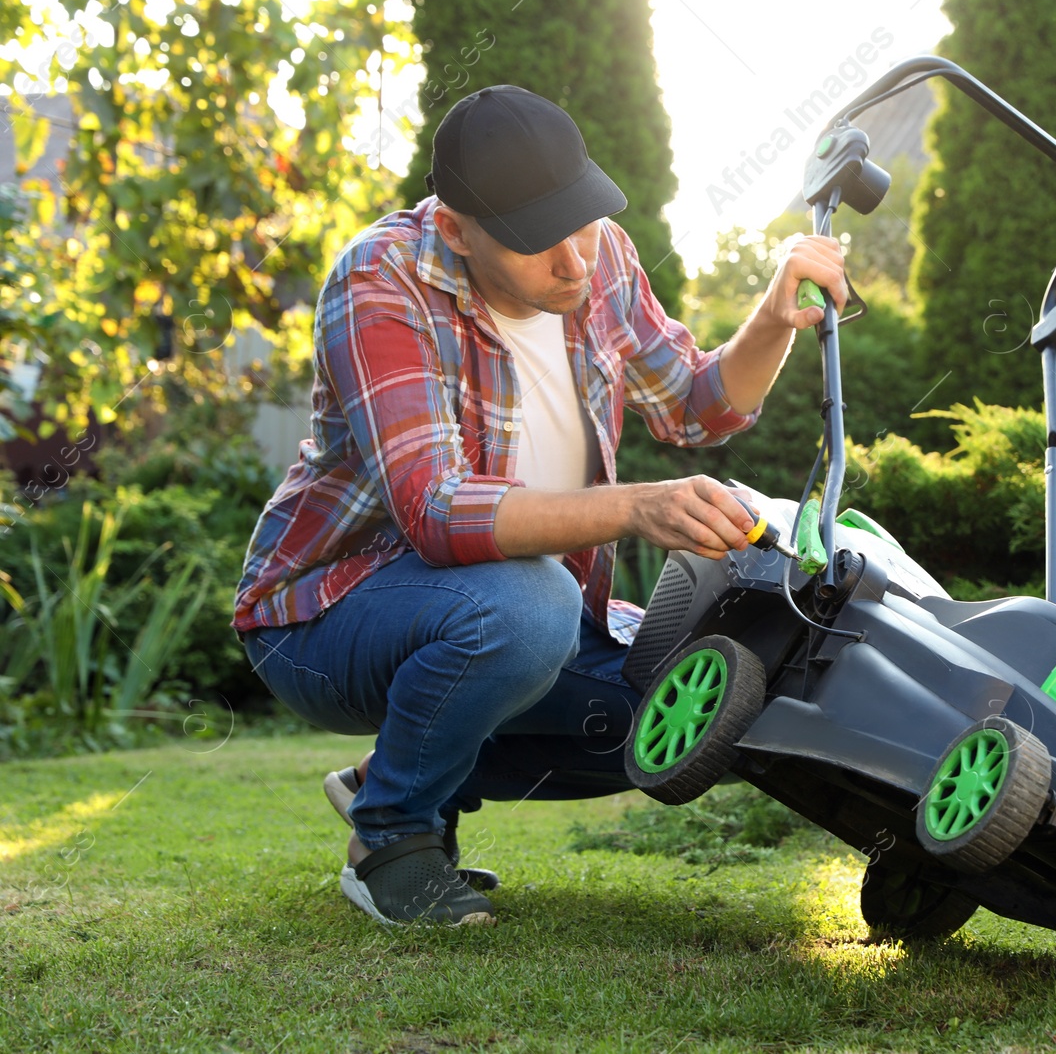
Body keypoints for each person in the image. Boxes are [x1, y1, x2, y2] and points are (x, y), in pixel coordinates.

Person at [231, 85, 847, 926]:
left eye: (584, 222)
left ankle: (396, 769)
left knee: (707, 705)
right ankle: (394, 836)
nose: (575, 263)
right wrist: (634, 508)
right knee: (528, 605)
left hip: (507, 611)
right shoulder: (381, 280)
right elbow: (439, 511)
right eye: (537, 243)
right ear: (456, 229)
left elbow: (699, 406)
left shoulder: (603, 260)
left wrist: (775, 315)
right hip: (322, 616)